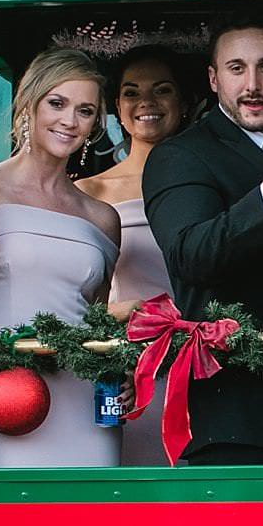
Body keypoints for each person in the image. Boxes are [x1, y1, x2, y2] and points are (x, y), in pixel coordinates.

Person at [144, 21, 263, 465]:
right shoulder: (180, 155)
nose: (253, 84)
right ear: (214, 79)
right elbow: (190, 255)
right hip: (233, 414)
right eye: (237, 68)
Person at [0, 48, 124, 468]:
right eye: (57, 104)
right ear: (29, 104)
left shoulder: (102, 216)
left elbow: (100, 322)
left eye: (85, 111)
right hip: (7, 396)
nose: (69, 121)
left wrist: (124, 369)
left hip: (84, 402)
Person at [78, 45, 197, 466]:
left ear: (183, 103)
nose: (146, 102)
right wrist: (122, 314)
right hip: (129, 368)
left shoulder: (210, 182)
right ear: (116, 108)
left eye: (161, 90)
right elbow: (77, 297)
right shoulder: (88, 193)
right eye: (131, 92)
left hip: (204, 359)